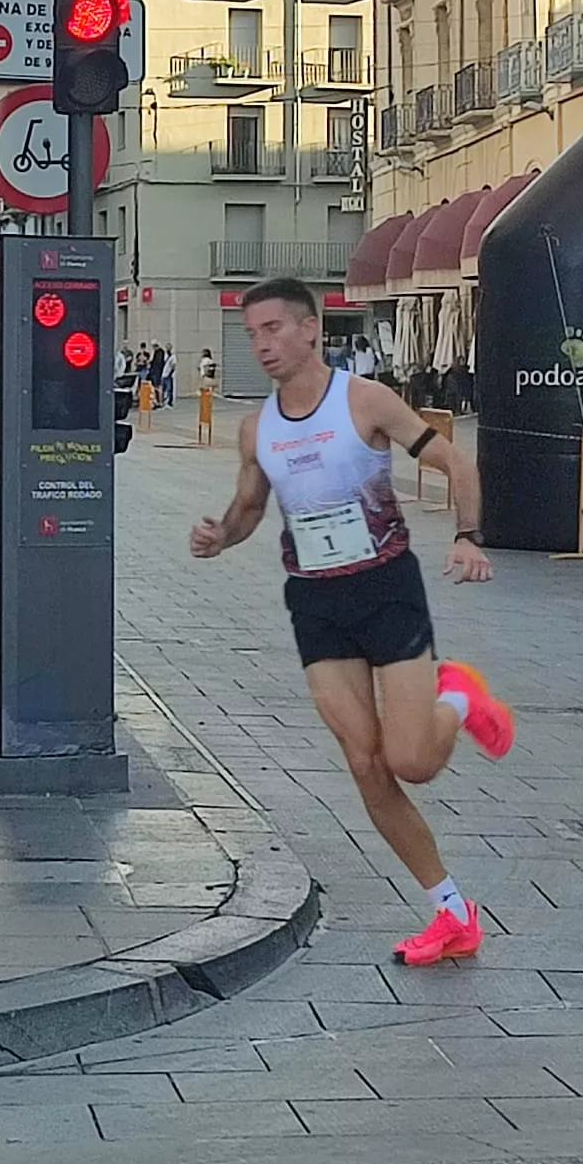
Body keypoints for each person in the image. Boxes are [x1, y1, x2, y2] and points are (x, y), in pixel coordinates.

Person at [187, 277, 514, 968]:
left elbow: (454, 459)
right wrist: (221, 535)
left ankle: (459, 695)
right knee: (366, 765)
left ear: (311, 329)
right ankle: (452, 912)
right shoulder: (257, 428)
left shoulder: (363, 401)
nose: (262, 344)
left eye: (273, 328)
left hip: (385, 589)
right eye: (252, 334)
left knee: (413, 762)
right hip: (316, 603)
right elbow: (249, 508)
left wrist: (468, 536)